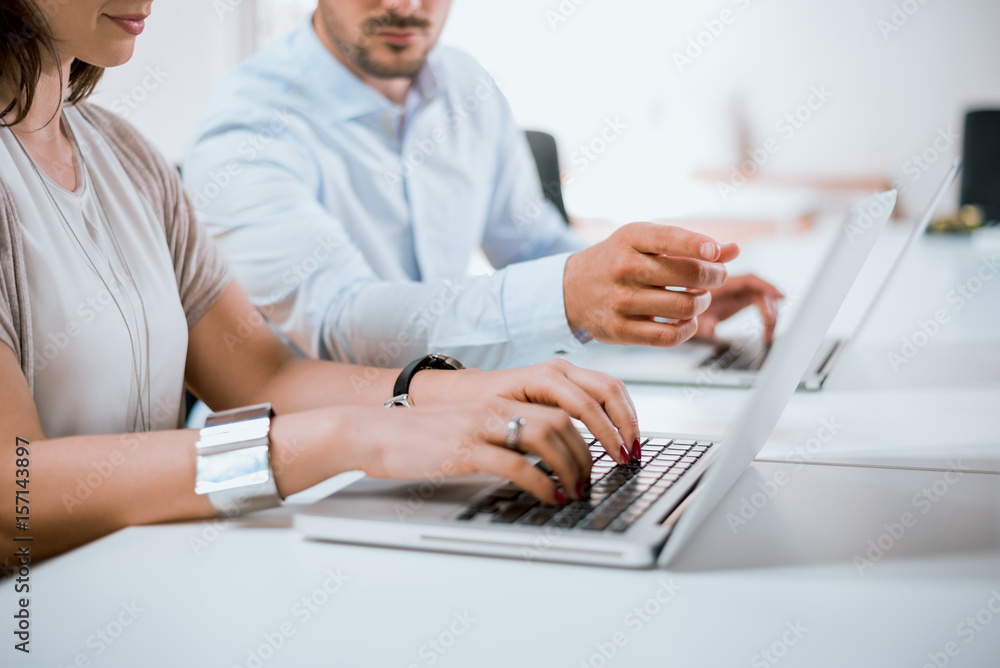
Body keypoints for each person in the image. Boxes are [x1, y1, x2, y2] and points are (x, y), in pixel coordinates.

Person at [0, 0, 643, 566]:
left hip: (149, 579)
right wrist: (348, 437)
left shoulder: (125, 155)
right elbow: (13, 489)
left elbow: (264, 377)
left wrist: (462, 393)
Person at [183, 0, 784, 372]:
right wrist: (569, 295)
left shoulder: (464, 85)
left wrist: (652, 302)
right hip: (301, 449)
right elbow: (338, 326)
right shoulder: (250, 125)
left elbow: (531, 249)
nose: (406, 4)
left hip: (446, 413)